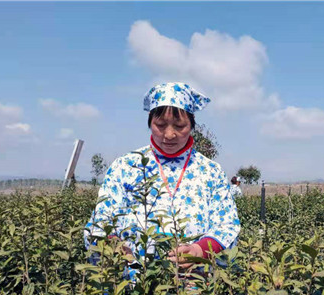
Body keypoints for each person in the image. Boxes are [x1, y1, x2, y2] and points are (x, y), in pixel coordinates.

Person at [85, 82, 240, 275]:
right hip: (130, 285)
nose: (169, 134)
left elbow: (227, 225)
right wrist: (118, 251)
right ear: (150, 123)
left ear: (192, 126)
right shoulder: (125, 167)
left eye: (180, 126)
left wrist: (198, 251)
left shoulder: (210, 171)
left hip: (194, 286)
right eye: (160, 125)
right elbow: (100, 223)